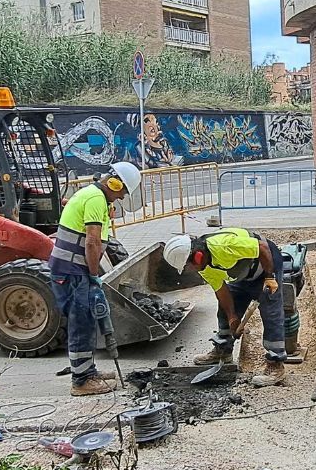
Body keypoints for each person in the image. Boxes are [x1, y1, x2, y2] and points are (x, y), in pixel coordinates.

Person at [49, 162, 143, 396]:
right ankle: (80, 381)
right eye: (122, 193)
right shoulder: (95, 199)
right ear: (114, 183)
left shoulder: (96, 198)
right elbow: (92, 241)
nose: (120, 198)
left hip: (75, 270)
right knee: (81, 323)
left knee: (88, 320)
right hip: (73, 272)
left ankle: (88, 371)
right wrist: (93, 274)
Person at [163, 228, 287, 387]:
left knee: (271, 312)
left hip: (266, 262)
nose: (190, 271)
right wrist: (232, 317)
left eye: (188, 267)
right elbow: (221, 291)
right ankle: (223, 350)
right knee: (225, 308)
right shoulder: (203, 266)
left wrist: (269, 277)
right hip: (242, 271)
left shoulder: (223, 246)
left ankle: (276, 364)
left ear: (197, 256)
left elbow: (262, 247)